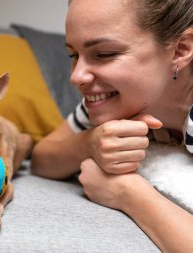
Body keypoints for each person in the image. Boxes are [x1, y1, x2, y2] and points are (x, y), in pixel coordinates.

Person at [31, 0, 193, 252]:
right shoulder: (112, 101)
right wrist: (89, 143)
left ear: (181, 50)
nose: (76, 77)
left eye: (105, 54)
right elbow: (42, 159)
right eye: (73, 55)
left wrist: (126, 192)